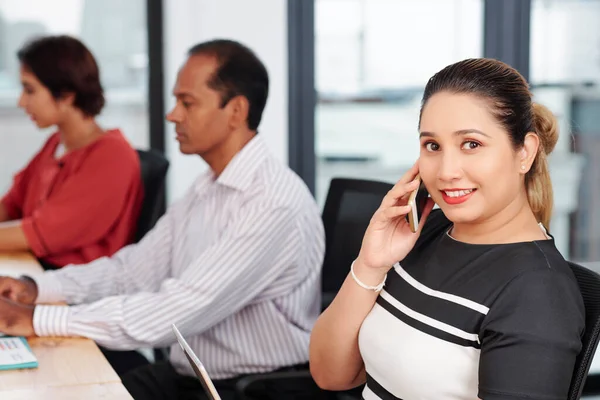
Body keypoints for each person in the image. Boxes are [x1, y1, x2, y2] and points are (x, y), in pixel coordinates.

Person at [0, 39, 325, 400]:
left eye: (187, 103)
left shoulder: (272, 202)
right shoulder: (208, 187)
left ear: (235, 111)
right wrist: (37, 289)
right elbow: (132, 271)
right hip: (188, 373)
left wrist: (36, 318)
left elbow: (180, 308)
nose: (173, 115)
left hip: (247, 389)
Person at [309, 58, 585, 399]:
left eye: (471, 144)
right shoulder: (427, 231)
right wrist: (371, 264)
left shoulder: (536, 292)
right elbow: (330, 373)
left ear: (524, 152)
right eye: (433, 146)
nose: (447, 171)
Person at [0, 35, 143, 269]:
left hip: (69, 290)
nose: (21, 101)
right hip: (35, 270)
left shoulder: (112, 156)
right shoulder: (56, 143)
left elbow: (40, 233)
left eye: (29, 90)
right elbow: (11, 205)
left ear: (66, 95)